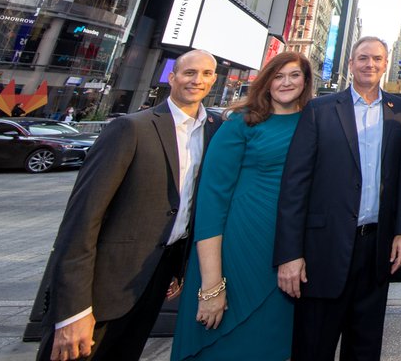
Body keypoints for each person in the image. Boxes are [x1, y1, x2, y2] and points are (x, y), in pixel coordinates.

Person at [38, 49, 221, 361]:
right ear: (172, 77)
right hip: (103, 286)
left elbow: (187, 206)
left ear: (213, 80)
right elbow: (81, 219)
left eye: (205, 74)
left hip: (155, 279)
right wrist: (72, 310)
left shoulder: (214, 130)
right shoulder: (131, 127)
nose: (197, 80)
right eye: (189, 72)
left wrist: (176, 268)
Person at [275, 36, 401, 361]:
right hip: (324, 250)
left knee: (364, 348)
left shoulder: (399, 109)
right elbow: (295, 185)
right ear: (351, 63)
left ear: (386, 63)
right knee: (313, 347)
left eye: (378, 59)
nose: (370, 65)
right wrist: (289, 254)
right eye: (363, 58)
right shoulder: (319, 110)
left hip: (375, 251)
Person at [171, 51, 314, 361]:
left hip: (285, 252)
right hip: (234, 247)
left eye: (294, 75)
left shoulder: (314, 121)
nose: (286, 82)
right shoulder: (241, 121)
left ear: (306, 82)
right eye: (278, 76)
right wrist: (211, 284)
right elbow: (211, 200)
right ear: (266, 80)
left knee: (270, 346)